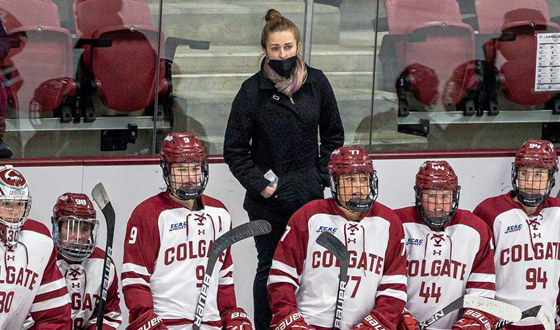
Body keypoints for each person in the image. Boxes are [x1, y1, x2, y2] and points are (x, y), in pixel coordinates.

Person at [223, 9, 344, 329]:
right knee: (271, 269)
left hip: (310, 200)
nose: (282, 54)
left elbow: (334, 137)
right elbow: (234, 150)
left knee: (309, 270)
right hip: (267, 205)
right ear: (265, 50)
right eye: (275, 49)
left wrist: (318, 177)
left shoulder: (317, 82)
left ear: (298, 46)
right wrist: (264, 186)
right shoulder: (251, 91)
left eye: (288, 47)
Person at [121, 132, 252, 330]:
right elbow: (135, 280)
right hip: (165, 323)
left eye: (195, 168)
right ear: (166, 170)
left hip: (210, 324)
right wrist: (148, 321)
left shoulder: (219, 213)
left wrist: (230, 316)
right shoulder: (147, 215)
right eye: (181, 169)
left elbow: (224, 278)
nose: (190, 177)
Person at [268, 146, 407, 330]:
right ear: (334, 182)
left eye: (364, 179)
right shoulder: (309, 216)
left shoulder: (389, 223)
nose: (358, 188)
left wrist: (373, 325)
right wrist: (291, 320)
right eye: (350, 179)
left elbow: (394, 289)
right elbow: (281, 277)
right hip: (310, 324)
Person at [394, 161, 498, 330]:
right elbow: (383, 283)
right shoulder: (397, 224)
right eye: (431, 196)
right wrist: (399, 314)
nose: (438, 205)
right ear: (419, 195)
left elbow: (482, 289)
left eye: (444, 196)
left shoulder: (476, 229)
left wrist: (472, 321)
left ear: (454, 196)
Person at [474, 139, 560, 329]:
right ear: (515, 174)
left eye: (539, 175)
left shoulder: (558, 212)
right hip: (500, 322)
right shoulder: (490, 211)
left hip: (547, 322)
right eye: (524, 174)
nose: (530, 183)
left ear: (551, 178)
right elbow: (475, 275)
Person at [0, 165, 71, 328]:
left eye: (19, 204)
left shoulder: (39, 241)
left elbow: (54, 315)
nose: (14, 212)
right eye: (6, 204)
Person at [51, 192, 122, 329]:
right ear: (57, 228)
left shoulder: (103, 262)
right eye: (71, 228)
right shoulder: (43, 259)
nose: (78, 237)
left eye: (84, 229)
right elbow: (27, 318)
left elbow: (109, 314)